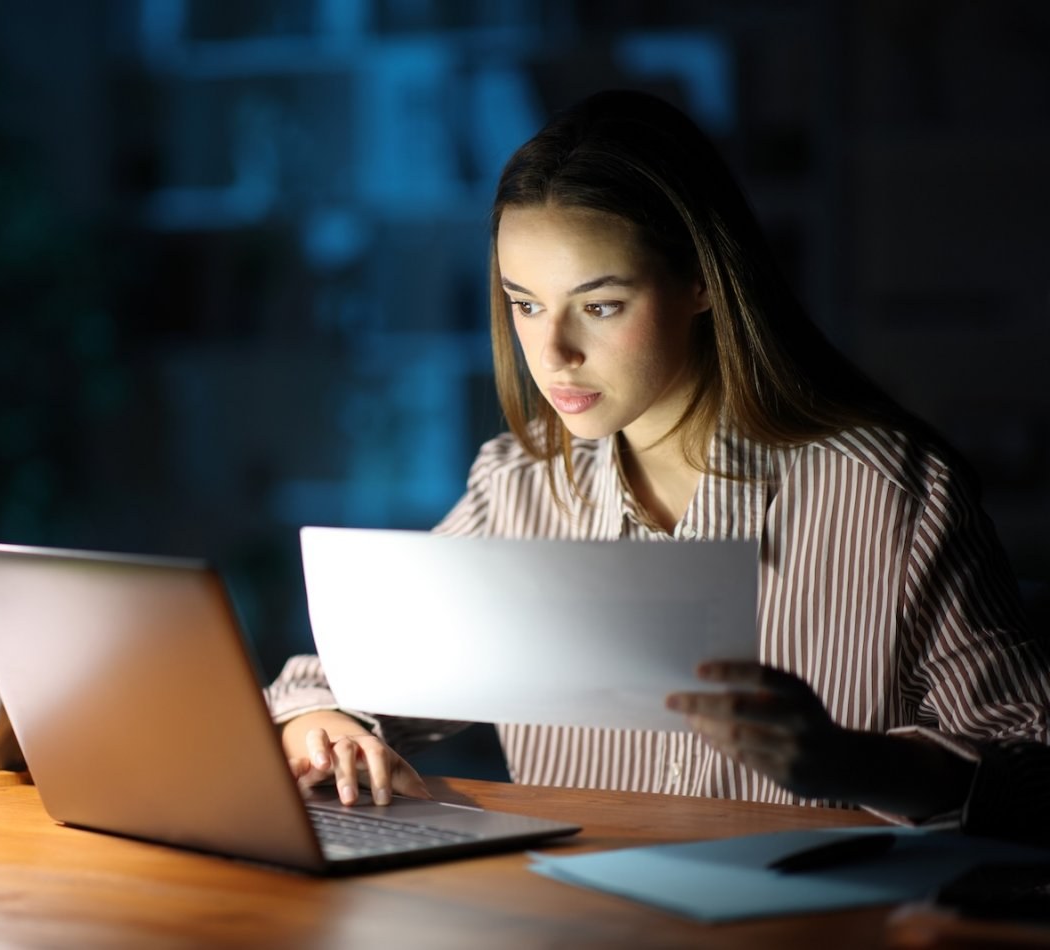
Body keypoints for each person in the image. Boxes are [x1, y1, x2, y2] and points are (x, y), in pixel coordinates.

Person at [265, 88, 1050, 842]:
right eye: (525, 303)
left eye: (600, 306)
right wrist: (319, 724)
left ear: (702, 281)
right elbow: (328, 681)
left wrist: (853, 763)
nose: (554, 353)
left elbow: (1031, 769)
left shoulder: (891, 494)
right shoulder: (520, 489)